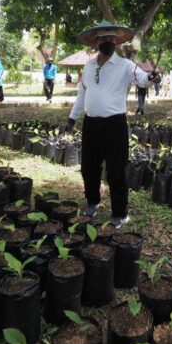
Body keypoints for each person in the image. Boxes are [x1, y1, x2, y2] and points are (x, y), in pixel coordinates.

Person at [65, 20, 160, 228]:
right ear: (96, 41)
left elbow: (142, 78)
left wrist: (152, 77)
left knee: (116, 170)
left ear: (116, 42)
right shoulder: (88, 67)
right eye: (103, 38)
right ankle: (92, 202)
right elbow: (82, 93)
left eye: (111, 38)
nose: (107, 41)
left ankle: (119, 213)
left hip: (115, 124)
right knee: (88, 167)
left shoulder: (126, 65)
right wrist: (72, 118)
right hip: (91, 124)